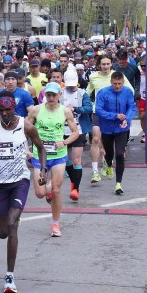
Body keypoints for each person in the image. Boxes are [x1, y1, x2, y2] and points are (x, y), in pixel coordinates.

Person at [0, 91, 46, 293]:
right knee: (2, 232)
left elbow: (41, 148)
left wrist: (43, 170)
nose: (5, 113)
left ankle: (9, 277)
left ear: (14, 108)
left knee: (12, 224)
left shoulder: (26, 126)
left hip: (19, 181)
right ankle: (12, 217)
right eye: (1, 110)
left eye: (8, 110)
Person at [25, 82, 79, 237]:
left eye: (53, 95)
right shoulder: (36, 110)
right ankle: (47, 188)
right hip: (39, 155)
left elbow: (75, 132)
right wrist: (26, 149)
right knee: (39, 193)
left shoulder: (65, 111)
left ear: (59, 95)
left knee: (56, 190)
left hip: (58, 155)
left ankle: (55, 224)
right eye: (48, 94)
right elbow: (23, 129)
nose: (51, 97)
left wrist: (65, 142)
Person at [95, 72, 137, 195]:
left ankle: (118, 184)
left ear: (123, 82)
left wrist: (127, 119)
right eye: (115, 84)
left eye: (119, 84)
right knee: (109, 154)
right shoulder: (103, 92)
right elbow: (98, 110)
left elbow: (132, 107)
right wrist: (115, 116)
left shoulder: (128, 92)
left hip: (122, 128)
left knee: (119, 154)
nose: (117, 86)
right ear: (111, 82)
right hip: (106, 128)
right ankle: (108, 164)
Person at [60, 69, 92, 201]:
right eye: (69, 84)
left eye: (73, 84)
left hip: (78, 130)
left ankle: (75, 189)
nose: (71, 86)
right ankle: (73, 182)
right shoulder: (60, 93)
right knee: (66, 160)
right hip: (62, 131)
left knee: (76, 160)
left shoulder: (82, 93)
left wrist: (75, 109)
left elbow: (89, 108)